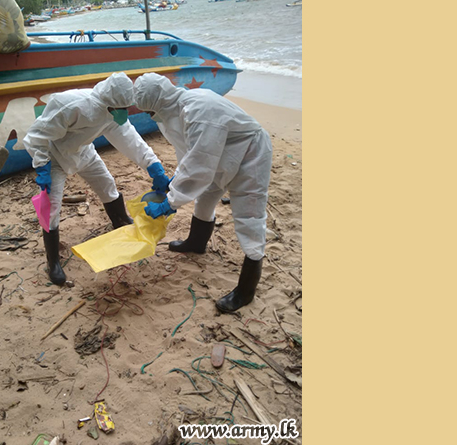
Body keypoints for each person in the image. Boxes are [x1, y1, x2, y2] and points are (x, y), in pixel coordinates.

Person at [133, 73, 273, 313]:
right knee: (205, 200)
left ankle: (246, 290)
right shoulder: (171, 113)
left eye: (149, 111)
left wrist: (170, 202)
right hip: (220, 156)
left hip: (250, 153)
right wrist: (174, 180)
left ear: (158, 102)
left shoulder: (198, 109)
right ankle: (196, 243)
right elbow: (189, 153)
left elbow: (199, 163)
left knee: (249, 216)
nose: (149, 115)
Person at [23, 72, 171, 286]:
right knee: (51, 207)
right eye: (120, 109)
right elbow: (38, 134)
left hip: (84, 151)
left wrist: (153, 165)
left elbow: (129, 138)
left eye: (126, 108)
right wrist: (42, 166)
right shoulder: (71, 105)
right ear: (108, 103)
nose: (123, 113)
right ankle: (53, 261)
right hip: (54, 156)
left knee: (107, 185)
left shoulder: (113, 112)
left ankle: (120, 222)